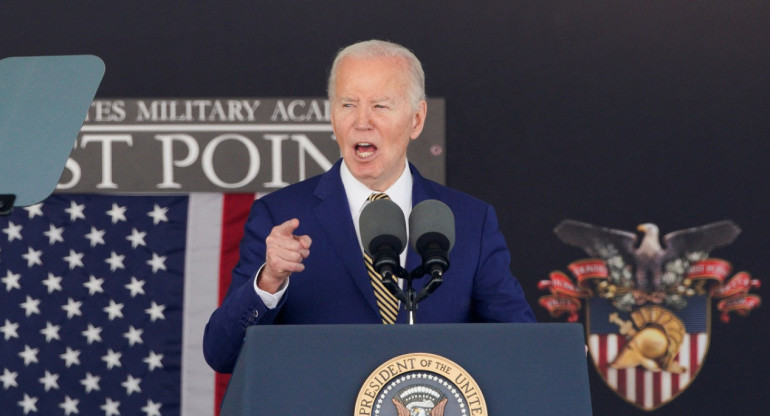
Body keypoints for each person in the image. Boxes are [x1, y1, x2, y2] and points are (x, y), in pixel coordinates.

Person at [203, 39, 535, 373]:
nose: (362, 121)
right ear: (333, 117)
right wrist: (269, 281)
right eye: (348, 105)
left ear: (417, 119)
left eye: (380, 105)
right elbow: (222, 354)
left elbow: (523, 348)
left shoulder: (470, 221)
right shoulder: (281, 217)